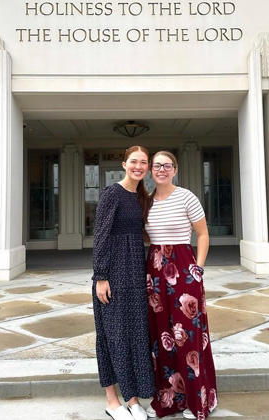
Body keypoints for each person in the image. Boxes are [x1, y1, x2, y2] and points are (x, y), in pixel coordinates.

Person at [144, 151, 218, 420]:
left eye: (167, 165)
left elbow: (203, 233)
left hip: (184, 268)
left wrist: (198, 267)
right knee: (162, 336)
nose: (161, 170)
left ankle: (196, 399)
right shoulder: (146, 201)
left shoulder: (187, 196)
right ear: (151, 171)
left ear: (175, 169)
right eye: (157, 166)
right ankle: (168, 398)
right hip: (154, 270)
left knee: (186, 335)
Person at [92, 146, 156, 420]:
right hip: (113, 273)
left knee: (134, 335)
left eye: (143, 162)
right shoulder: (112, 194)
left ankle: (132, 398)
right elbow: (101, 236)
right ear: (124, 164)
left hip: (134, 272)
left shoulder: (141, 197)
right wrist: (101, 277)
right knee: (112, 336)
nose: (138, 166)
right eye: (134, 161)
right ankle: (112, 400)